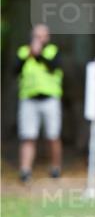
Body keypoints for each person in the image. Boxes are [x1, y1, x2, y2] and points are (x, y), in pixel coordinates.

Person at [15, 24, 63, 182]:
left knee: (53, 135)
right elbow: (15, 70)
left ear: (48, 37)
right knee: (28, 135)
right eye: (37, 36)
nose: (40, 39)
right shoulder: (23, 51)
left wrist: (38, 55)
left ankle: (55, 168)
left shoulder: (53, 51)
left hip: (50, 99)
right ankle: (25, 170)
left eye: (43, 36)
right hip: (29, 99)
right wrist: (29, 55)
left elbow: (54, 67)